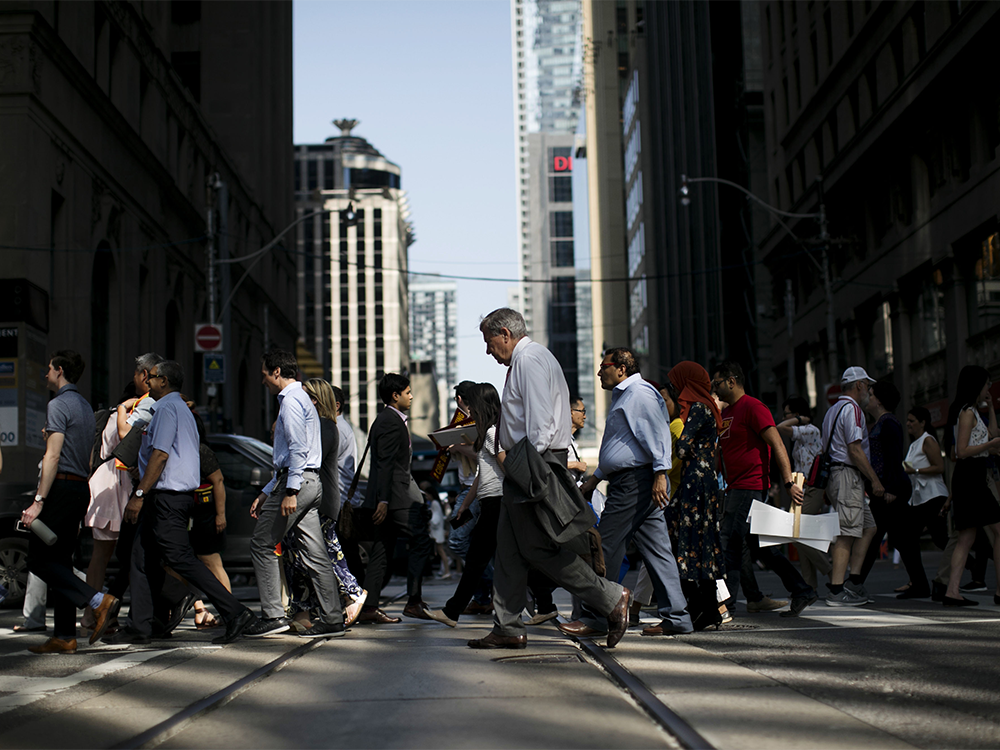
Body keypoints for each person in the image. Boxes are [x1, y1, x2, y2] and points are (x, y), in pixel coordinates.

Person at [468, 308, 629, 650]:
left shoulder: (529, 361)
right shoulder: (533, 358)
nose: (487, 349)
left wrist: (523, 466)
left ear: (505, 334)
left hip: (532, 462)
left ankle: (610, 597)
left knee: (538, 548)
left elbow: (539, 426)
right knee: (510, 551)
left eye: (488, 340)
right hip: (528, 462)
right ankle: (507, 627)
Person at [109, 360, 256, 645]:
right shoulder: (182, 410)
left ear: (163, 381)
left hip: (167, 497)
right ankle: (141, 626)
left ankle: (236, 613)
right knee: (140, 558)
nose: (147, 381)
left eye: (151, 377)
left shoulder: (165, 408)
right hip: (168, 498)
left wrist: (139, 495)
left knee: (181, 559)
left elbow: (160, 455)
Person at [569, 348, 692, 638]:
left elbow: (658, 434)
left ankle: (598, 617)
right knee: (658, 552)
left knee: (606, 546)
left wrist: (661, 473)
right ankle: (678, 617)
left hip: (636, 482)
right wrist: (596, 477)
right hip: (635, 480)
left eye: (604, 366)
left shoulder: (639, 393)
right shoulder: (625, 395)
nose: (599, 372)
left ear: (621, 368)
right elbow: (622, 444)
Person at [20, 351, 120, 654]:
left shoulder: (58, 404)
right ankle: (64, 636)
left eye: (48, 369)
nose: (46, 374)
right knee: (62, 561)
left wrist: (39, 500)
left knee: (38, 559)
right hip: (79, 488)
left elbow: (52, 456)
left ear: (60, 370)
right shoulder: (85, 407)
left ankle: (97, 599)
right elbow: (88, 457)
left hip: (61, 488)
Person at [247, 350, 346, 638]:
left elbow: (297, 450)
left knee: (262, 543)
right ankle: (332, 618)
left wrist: (289, 490)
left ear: (277, 371)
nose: (263, 379)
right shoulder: (303, 399)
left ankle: (273, 615)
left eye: (265, 373)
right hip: (310, 483)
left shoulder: (291, 400)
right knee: (316, 555)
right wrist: (269, 490)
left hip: (297, 483)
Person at [712, 361, 817, 617]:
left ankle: (725, 605)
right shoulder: (725, 414)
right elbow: (721, 455)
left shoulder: (753, 407)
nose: (714, 388)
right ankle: (802, 590)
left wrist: (789, 482)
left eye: (717, 383)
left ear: (732, 381)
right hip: (734, 488)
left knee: (730, 543)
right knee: (760, 548)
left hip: (750, 487)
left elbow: (778, 445)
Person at [283, 378, 367, 632]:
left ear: (315, 400)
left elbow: (306, 460)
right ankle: (304, 610)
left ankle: (351, 592)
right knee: (302, 555)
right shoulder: (324, 425)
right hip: (319, 499)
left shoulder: (325, 427)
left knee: (323, 552)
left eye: (305, 396)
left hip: (320, 500)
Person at [426, 383, 507, 627]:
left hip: (496, 502)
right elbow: (483, 474)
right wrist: (465, 505)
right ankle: (454, 611)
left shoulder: (492, 433)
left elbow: (506, 466)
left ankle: (454, 611)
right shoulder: (489, 432)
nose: (469, 408)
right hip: (489, 500)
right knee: (478, 559)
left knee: (479, 559)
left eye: (473, 404)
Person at [356, 372, 434, 622]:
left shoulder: (389, 419)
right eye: (408, 393)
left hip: (391, 495)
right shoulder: (390, 421)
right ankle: (413, 601)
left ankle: (369, 608)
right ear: (395, 395)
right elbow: (386, 464)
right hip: (396, 498)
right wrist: (384, 501)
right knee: (421, 540)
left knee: (381, 550)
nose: (411, 396)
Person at [665, 362, 726, 631]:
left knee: (688, 540)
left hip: (695, 482)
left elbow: (682, 448)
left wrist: (684, 449)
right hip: (703, 480)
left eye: (678, 382)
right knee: (699, 540)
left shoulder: (697, 409)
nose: (676, 388)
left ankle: (705, 608)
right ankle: (707, 608)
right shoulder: (704, 407)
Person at [820, 367, 881, 607]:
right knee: (846, 533)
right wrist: (874, 479)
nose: (868, 390)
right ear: (858, 386)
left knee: (869, 527)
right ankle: (836, 591)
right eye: (866, 384)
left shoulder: (832, 411)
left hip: (840, 476)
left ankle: (853, 582)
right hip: (847, 476)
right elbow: (854, 450)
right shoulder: (853, 410)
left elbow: (826, 449)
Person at [942, 365, 1000, 607]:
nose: (988, 388)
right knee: (995, 531)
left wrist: (991, 407)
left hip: (970, 477)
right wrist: (989, 446)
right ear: (976, 385)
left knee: (967, 537)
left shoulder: (972, 411)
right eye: (986, 384)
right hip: (971, 476)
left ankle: (952, 591)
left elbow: (992, 434)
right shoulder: (967, 412)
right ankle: (997, 590)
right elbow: (961, 451)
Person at [857, 381, 922, 596]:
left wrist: (891, 489)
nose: (868, 397)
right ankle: (920, 584)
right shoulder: (880, 423)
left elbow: (895, 459)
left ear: (880, 400)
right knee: (900, 539)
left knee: (875, 536)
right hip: (884, 491)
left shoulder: (888, 423)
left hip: (890, 491)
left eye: (872, 394)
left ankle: (854, 585)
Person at [776, 396, 832, 591]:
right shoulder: (802, 436)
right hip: (802, 487)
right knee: (801, 534)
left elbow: (781, 427)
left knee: (796, 532)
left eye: (788, 413)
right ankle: (810, 586)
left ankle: (830, 570)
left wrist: (799, 420)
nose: (785, 417)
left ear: (797, 414)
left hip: (813, 488)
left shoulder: (809, 430)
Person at [899, 406, 949, 599]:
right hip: (920, 499)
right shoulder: (914, 444)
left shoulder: (928, 440)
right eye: (908, 421)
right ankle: (919, 584)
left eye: (912, 421)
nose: (909, 424)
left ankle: (920, 584)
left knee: (911, 538)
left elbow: (940, 467)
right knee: (938, 538)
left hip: (933, 496)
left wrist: (916, 471)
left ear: (922, 423)